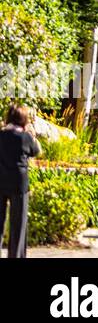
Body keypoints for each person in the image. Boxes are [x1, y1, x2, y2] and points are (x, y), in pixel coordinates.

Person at [0, 105, 42, 259]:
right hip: (19, 184)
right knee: (18, 223)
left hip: (1, 181)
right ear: (23, 119)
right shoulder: (25, 137)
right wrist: (32, 134)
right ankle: (16, 255)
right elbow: (37, 151)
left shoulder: (1, 135)